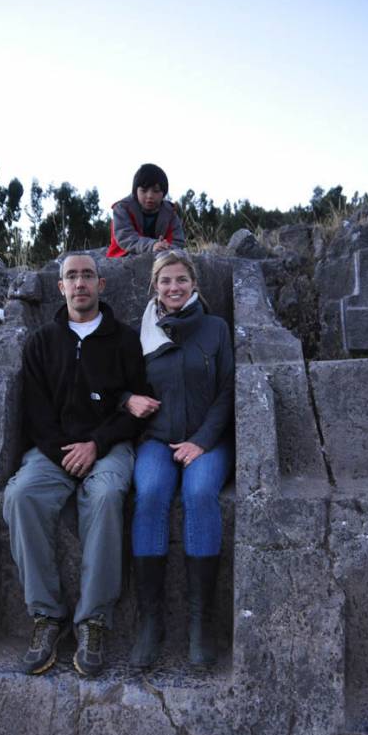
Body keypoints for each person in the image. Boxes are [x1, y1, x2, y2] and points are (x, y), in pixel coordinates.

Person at [3, 254, 149, 677]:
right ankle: (47, 616)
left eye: (87, 275)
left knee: (105, 496)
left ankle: (94, 620)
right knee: (20, 495)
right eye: (71, 276)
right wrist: (64, 454)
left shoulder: (125, 340)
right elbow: (35, 412)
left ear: (101, 285)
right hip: (54, 451)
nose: (80, 282)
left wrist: (96, 444)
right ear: (61, 287)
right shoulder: (41, 342)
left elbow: (138, 406)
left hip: (109, 447)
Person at [125, 249, 234, 670]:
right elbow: (124, 385)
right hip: (157, 438)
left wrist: (202, 440)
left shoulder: (215, 329)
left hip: (208, 440)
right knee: (149, 492)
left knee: (200, 493)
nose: (173, 288)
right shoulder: (144, 334)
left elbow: (227, 390)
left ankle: (199, 623)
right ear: (156, 286)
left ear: (194, 285)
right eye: (166, 281)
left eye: (181, 280)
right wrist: (125, 400)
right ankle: (150, 622)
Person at [106, 163, 186, 258]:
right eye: (144, 191)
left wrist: (166, 247)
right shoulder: (122, 208)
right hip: (122, 256)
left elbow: (178, 241)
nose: (150, 196)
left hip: (161, 258)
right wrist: (152, 245)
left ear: (163, 193)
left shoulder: (170, 212)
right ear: (135, 191)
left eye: (156, 191)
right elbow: (125, 237)